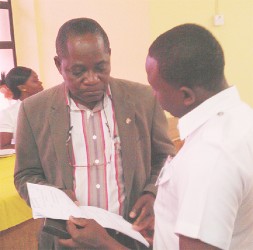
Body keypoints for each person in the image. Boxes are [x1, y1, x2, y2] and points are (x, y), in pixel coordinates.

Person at [58, 24, 253, 250]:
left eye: (156, 88)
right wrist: (166, 231)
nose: (152, 96)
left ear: (186, 95)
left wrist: (105, 244)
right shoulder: (242, 119)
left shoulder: (209, 156)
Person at [14, 18, 175, 249]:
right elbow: (25, 175)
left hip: (130, 236)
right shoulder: (34, 109)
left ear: (109, 55)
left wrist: (152, 193)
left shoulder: (143, 99)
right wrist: (56, 199)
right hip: (67, 240)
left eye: (101, 68)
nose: (92, 79)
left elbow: (166, 158)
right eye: (78, 71)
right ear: (59, 64)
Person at [0, 66, 43, 149]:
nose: (40, 83)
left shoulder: (50, 105)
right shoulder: (9, 113)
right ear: (22, 87)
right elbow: (3, 146)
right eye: (35, 80)